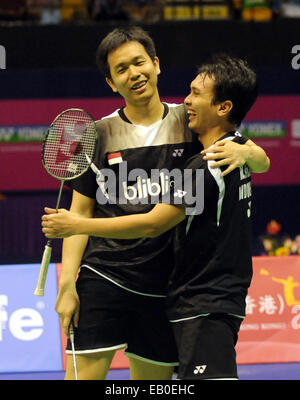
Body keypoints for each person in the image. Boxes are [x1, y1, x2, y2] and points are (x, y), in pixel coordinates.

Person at [43, 27, 269, 381]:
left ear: (156, 64)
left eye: (139, 62)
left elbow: (253, 156)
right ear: (111, 82)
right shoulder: (97, 135)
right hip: (105, 275)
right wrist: (67, 285)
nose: (134, 74)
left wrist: (249, 152)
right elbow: (80, 211)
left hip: (164, 284)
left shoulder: (191, 121)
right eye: (121, 69)